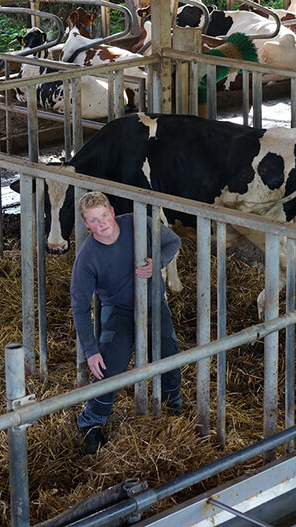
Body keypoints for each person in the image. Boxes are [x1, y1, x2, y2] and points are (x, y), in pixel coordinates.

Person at [69, 191, 183, 454]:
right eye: (94, 220)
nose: (103, 224)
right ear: (86, 224)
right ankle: (92, 422)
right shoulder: (87, 258)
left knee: (169, 354)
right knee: (109, 367)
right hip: (118, 310)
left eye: (105, 215)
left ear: (112, 210)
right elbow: (80, 305)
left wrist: (158, 264)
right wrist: (91, 350)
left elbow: (173, 242)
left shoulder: (138, 222)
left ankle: (172, 406)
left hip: (154, 302)